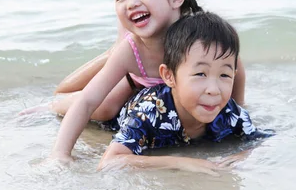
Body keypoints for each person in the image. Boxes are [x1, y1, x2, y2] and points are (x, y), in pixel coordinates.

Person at [51, 0, 246, 161]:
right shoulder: (132, 50)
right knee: (105, 106)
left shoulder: (198, 37)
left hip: (167, 94)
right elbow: (88, 101)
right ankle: (54, 103)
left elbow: (234, 68)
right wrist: (60, 154)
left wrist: (235, 111)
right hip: (137, 83)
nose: (132, 2)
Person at [98, 12, 274, 175]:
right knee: (96, 106)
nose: (213, 90)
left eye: (224, 75)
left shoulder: (230, 113)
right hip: (111, 112)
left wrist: (242, 156)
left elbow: (262, 141)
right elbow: (109, 162)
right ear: (169, 76)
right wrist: (180, 162)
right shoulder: (149, 112)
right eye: (200, 74)